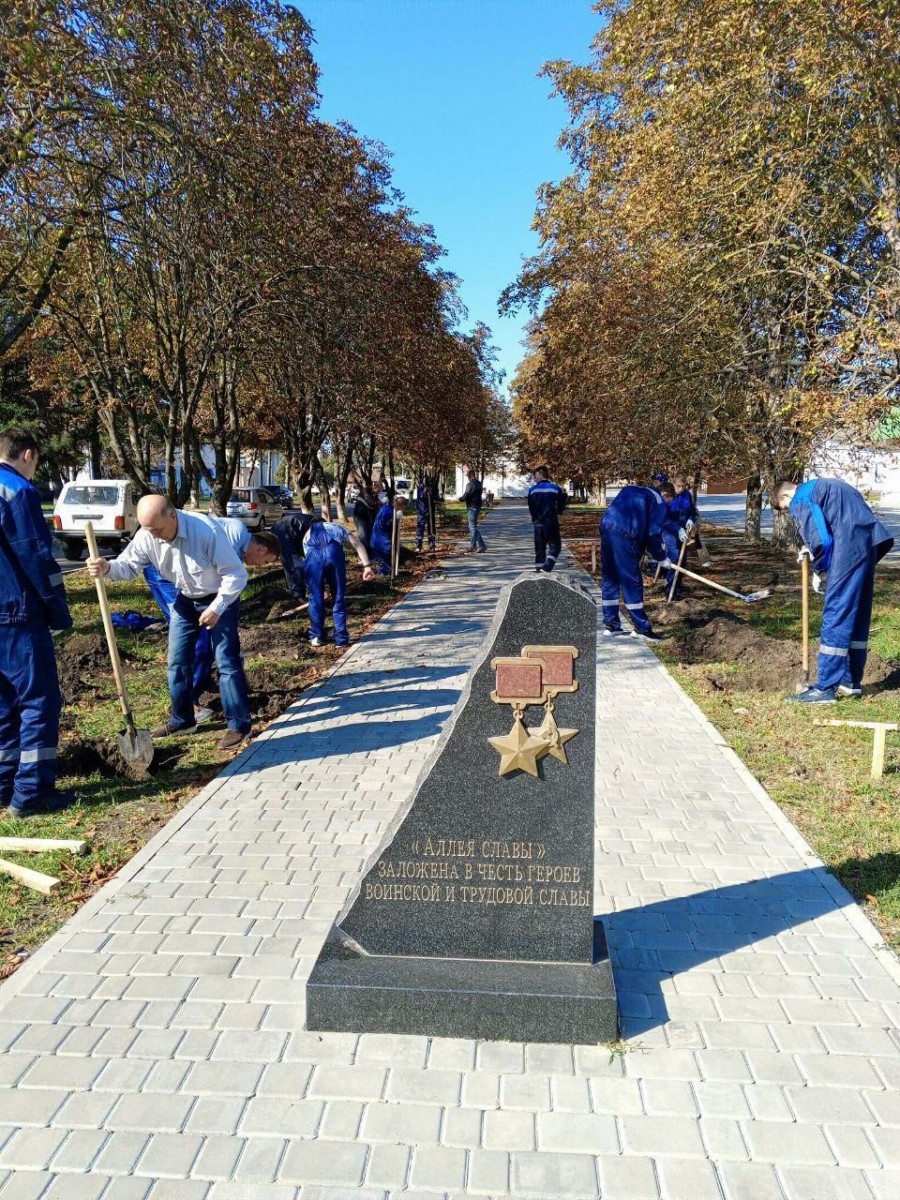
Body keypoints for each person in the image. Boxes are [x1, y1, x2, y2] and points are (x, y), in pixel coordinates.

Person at [87, 495, 252, 750]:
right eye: (148, 530)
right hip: (185, 599)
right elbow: (128, 566)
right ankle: (183, 719)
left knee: (226, 661)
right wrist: (107, 567)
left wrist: (217, 608)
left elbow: (236, 575)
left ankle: (238, 725)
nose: (154, 536)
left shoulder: (205, 531)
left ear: (173, 516)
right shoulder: (147, 535)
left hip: (221, 596)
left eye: (158, 530)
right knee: (176, 661)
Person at [0, 429, 74, 816]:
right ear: (27, 454)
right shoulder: (19, 492)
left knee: (2, 703)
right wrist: (58, 613)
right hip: (15, 615)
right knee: (37, 702)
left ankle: (2, 785)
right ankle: (31, 795)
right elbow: (38, 559)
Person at [141, 522, 280, 722]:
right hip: (168, 573)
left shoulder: (238, 540)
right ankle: (191, 705)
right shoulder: (235, 534)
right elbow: (221, 581)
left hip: (183, 574)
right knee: (199, 639)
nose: (261, 566)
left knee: (209, 640)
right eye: (266, 561)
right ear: (262, 549)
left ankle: (205, 695)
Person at [772, 478, 894, 704]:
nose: (790, 512)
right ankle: (850, 682)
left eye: (785, 509)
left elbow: (822, 540)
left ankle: (825, 688)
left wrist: (819, 568)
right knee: (857, 613)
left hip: (847, 550)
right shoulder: (827, 485)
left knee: (837, 612)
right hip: (868, 545)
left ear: (784, 497)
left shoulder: (801, 498)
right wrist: (810, 549)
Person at [600, 482, 673, 641]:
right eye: (670, 501)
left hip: (606, 526)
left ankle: (611, 625)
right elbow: (653, 533)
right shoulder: (659, 501)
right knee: (631, 579)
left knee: (610, 577)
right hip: (626, 534)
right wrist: (661, 557)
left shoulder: (633, 490)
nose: (668, 505)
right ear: (666, 494)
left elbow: (642, 525)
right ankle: (641, 628)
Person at [302, 520, 375, 646]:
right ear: (326, 522)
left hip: (313, 559)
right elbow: (357, 544)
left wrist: (323, 587)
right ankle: (341, 639)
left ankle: (316, 636)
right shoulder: (335, 527)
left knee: (315, 598)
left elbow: (307, 558)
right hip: (334, 554)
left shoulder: (306, 535)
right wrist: (367, 566)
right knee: (338, 597)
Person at [661, 473, 698, 600]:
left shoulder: (687, 495)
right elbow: (663, 518)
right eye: (678, 486)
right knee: (674, 558)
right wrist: (678, 529)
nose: (681, 489)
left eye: (683, 486)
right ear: (673, 484)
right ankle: (669, 591)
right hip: (669, 531)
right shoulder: (667, 496)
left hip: (683, 533)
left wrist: (691, 520)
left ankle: (677, 590)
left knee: (682, 561)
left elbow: (692, 511)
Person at [527, 465, 567, 572]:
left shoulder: (532, 490)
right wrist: (559, 512)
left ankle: (539, 569)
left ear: (539, 474)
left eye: (535, 476)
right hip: (551, 523)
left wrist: (534, 519)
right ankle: (547, 566)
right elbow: (562, 502)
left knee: (539, 548)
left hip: (538, 524)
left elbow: (531, 507)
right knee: (555, 547)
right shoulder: (555, 488)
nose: (534, 479)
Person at [371, 494, 411, 574]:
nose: (404, 510)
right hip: (383, 544)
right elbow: (392, 530)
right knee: (388, 567)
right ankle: (386, 574)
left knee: (386, 564)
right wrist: (396, 520)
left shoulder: (386, 508)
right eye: (404, 508)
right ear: (401, 506)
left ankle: (386, 572)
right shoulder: (390, 513)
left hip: (375, 541)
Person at [460, 469, 486, 553]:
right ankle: (473, 546)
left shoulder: (469, 484)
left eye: (467, 476)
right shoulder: (479, 484)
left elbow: (466, 495)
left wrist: (461, 499)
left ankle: (482, 545)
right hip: (478, 505)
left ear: (470, 476)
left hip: (472, 506)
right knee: (472, 526)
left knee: (472, 527)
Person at [352, 480, 379, 553]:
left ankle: (370, 553)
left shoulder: (373, 495)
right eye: (376, 487)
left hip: (368, 517)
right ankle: (365, 555)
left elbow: (374, 506)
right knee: (363, 537)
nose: (379, 488)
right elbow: (371, 505)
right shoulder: (365, 494)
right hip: (361, 517)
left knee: (369, 535)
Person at [415, 475, 438, 553]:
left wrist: (432, 495)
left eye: (431, 487)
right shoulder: (421, 487)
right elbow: (420, 497)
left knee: (431, 527)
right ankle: (418, 545)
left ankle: (432, 543)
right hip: (422, 510)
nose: (430, 488)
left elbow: (436, 497)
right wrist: (425, 491)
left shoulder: (434, 487)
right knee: (420, 527)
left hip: (431, 510)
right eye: (429, 486)